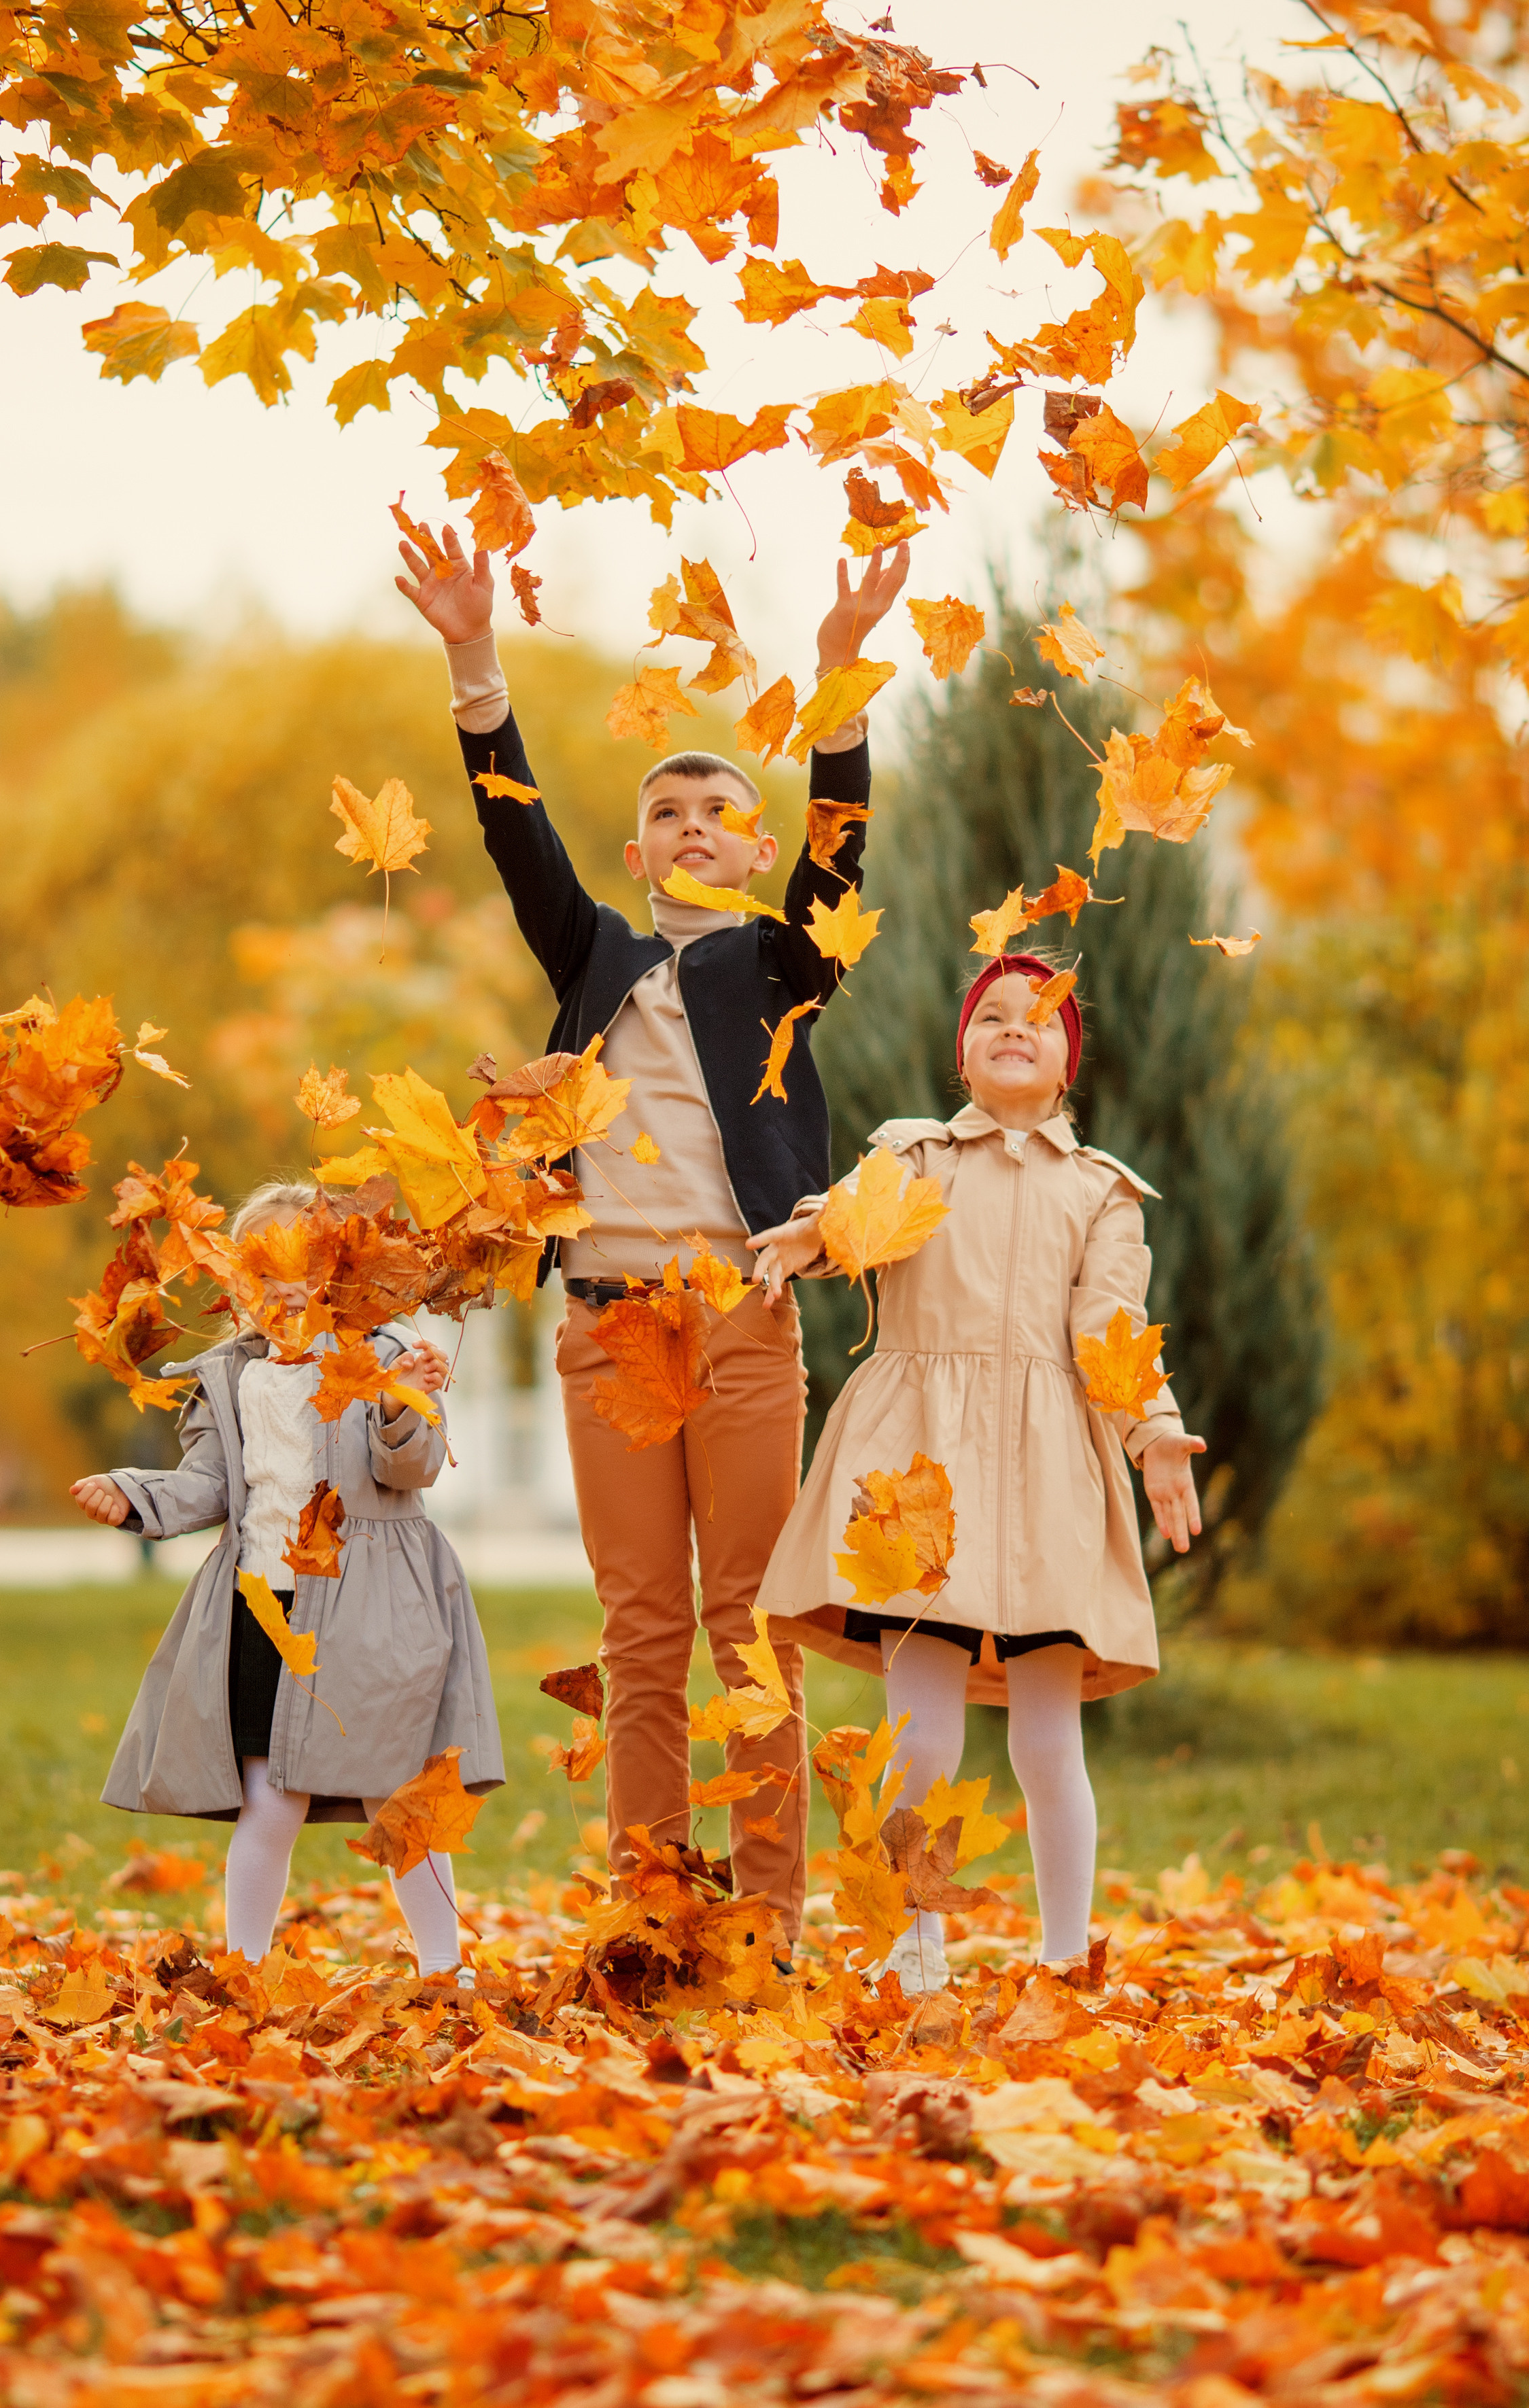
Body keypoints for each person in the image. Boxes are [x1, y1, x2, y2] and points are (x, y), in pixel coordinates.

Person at [396, 517, 909, 1955]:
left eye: (716, 811)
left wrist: (840, 684)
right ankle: (650, 1905)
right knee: (639, 1634)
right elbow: (516, 838)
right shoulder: (596, 957)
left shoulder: (778, 963)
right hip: (609, 1322)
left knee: (746, 1627)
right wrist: (474, 662)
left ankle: (763, 1918)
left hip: (738, 1319)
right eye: (667, 812)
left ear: (748, 845)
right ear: (638, 850)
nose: (693, 826)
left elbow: (837, 858)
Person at [749, 954, 1205, 1992]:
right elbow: (856, 1221)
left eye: (1037, 1018)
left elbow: (1111, 1329)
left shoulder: (1102, 1193)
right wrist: (812, 1233)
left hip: (1045, 1468)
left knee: (1048, 1733)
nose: (1013, 1026)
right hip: (920, 1463)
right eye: (990, 1014)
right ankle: (914, 1935)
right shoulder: (913, 1153)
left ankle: (1062, 1950)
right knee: (922, 1729)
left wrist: (1155, 1430)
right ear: (962, 1050)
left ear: (1066, 1062)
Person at [70, 1180, 504, 1974]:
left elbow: (409, 1466)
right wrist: (135, 1495)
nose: (288, 1291)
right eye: (265, 1275)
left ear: (345, 1275)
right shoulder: (230, 1377)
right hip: (262, 1604)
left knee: (397, 1796)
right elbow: (205, 1485)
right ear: (239, 1284)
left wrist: (410, 1397)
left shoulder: (381, 1355)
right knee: (269, 1799)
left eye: (309, 1270)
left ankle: (445, 1966)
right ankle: (244, 1965)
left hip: (375, 1606)